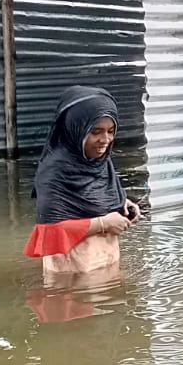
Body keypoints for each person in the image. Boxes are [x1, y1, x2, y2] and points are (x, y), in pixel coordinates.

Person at [24, 86, 140, 278]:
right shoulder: (55, 170)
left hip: (106, 265)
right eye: (96, 132)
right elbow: (49, 232)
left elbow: (99, 198)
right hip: (73, 275)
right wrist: (104, 223)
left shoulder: (100, 161)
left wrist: (123, 205)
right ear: (76, 128)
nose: (105, 140)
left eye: (111, 131)